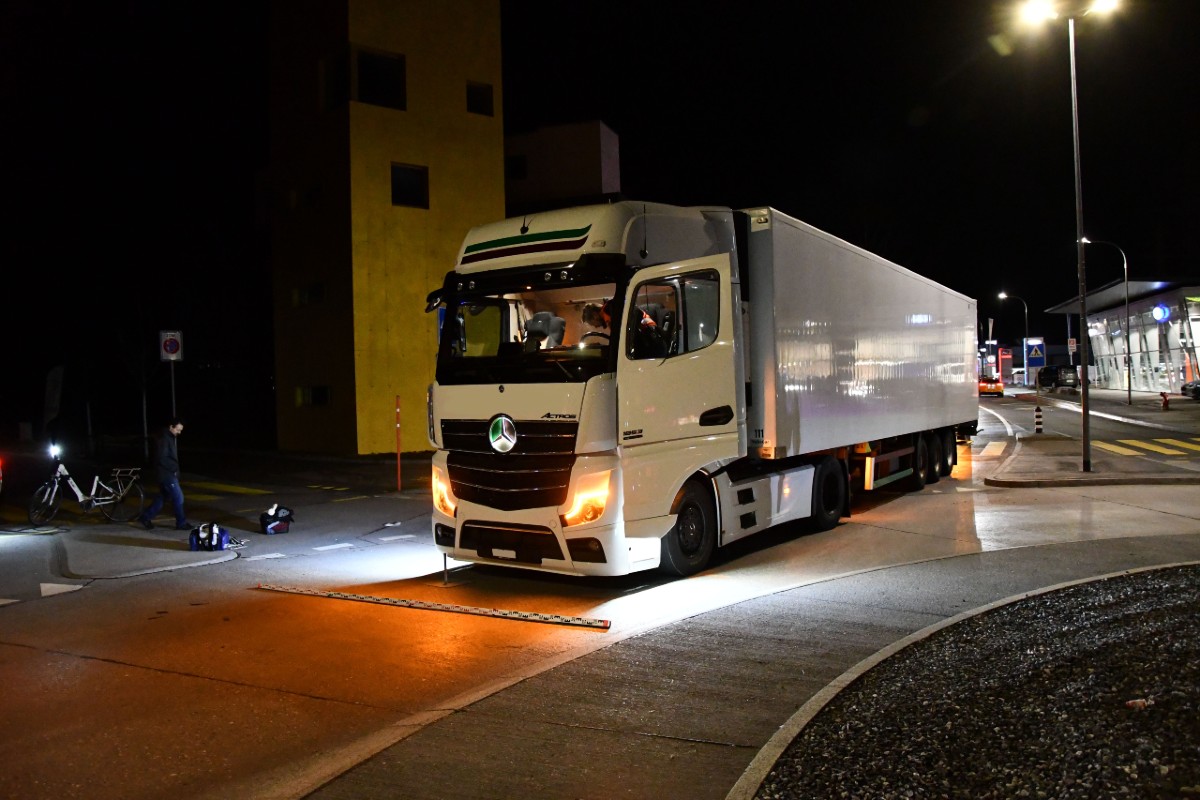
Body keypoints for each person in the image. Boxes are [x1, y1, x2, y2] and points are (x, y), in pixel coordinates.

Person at [138, 417, 191, 531]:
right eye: (177, 429)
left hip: (166, 473)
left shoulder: (168, 437)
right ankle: (181, 523)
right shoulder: (164, 438)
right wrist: (174, 469)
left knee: (163, 497)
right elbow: (162, 458)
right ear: (171, 427)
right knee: (178, 497)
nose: (179, 432)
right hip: (166, 474)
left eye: (181, 430)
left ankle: (145, 517)